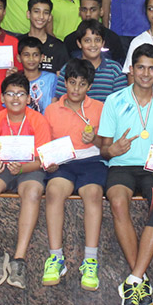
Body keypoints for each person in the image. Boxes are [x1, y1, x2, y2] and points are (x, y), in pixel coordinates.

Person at [98, 44, 153, 305]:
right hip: (121, 166)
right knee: (118, 202)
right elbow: (104, 149)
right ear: (131, 69)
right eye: (140, 67)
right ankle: (139, 279)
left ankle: (134, 279)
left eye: (151, 68)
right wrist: (113, 149)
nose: (145, 73)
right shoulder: (114, 100)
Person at [0, 73, 53, 289]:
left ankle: (19, 259)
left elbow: (43, 160)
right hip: (3, 169)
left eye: (20, 94)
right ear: (2, 98)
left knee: (32, 192)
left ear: (28, 98)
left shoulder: (38, 120)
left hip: (29, 169)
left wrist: (21, 167)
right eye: (10, 94)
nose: (15, 98)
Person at [41, 58, 105, 290]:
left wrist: (95, 139)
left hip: (91, 161)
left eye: (82, 84)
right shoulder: (51, 109)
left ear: (89, 86)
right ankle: (56, 257)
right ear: (65, 83)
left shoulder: (99, 108)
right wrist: (48, 162)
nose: (76, 89)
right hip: (63, 164)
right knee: (53, 192)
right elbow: (45, 144)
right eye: (72, 82)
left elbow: (106, 144)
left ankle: (90, 260)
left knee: (93, 194)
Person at [55, 19, 128, 102]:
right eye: (87, 40)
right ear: (79, 43)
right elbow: (61, 101)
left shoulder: (115, 69)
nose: (93, 45)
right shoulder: (68, 68)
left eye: (97, 40)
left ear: (103, 43)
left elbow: (120, 103)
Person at [63, 0, 126, 64]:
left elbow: (120, 65)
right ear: (79, 11)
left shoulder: (112, 38)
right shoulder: (70, 40)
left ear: (101, 11)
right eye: (84, 9)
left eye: (93, 10)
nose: (88, 14)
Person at [20, 0, 68, 74]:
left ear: (49, 17)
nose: (41, 17)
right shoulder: (18, 42)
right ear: (28, 14)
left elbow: (64, 75)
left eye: (45, 13)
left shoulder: (58, 46)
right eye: (36, 11)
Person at [19, 36, 57, 113]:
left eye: (35, 55)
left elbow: (55, 105)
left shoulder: (51, 79)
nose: (31, 59)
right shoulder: (15, 81)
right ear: (19, 58)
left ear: (42, 57)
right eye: (26, 55)